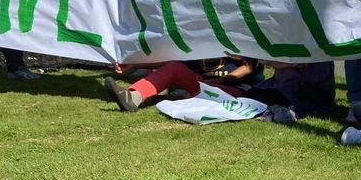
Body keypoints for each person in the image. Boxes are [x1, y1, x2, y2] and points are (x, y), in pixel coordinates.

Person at [105, 56, 335, 118]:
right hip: (203, 84)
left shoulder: (241, 36)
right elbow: (172, 58)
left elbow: (248, 67)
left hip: (233, 90)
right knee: (174, 67)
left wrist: (224, 82)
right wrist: (135, 64)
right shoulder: (198, 35)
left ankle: (186, 97)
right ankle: (133, 96)